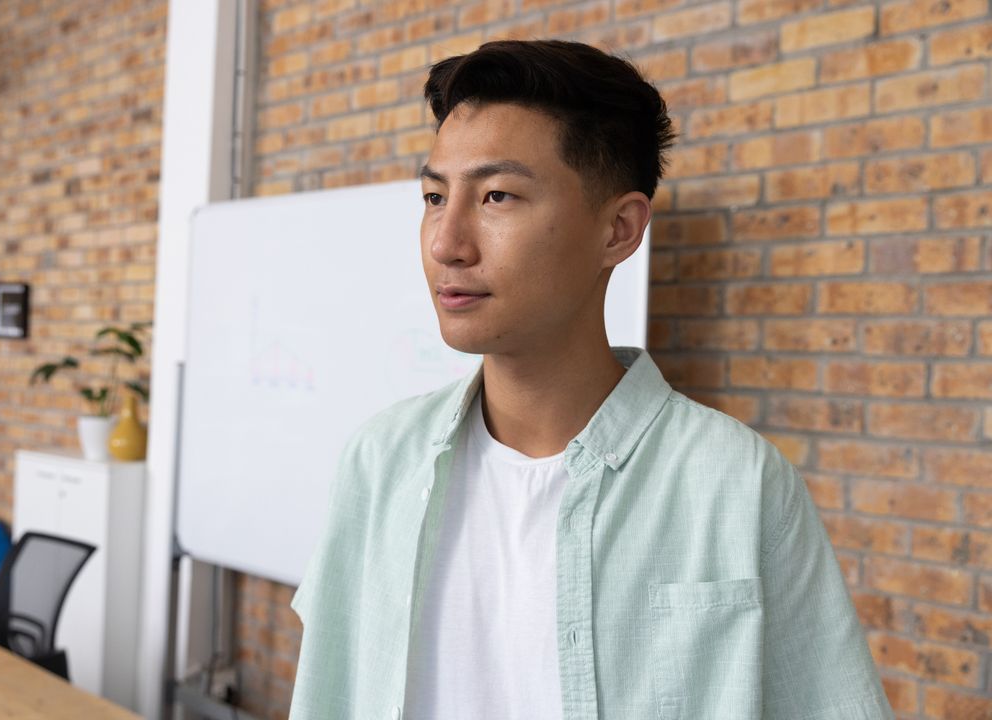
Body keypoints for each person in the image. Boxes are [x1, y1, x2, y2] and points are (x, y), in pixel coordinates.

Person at [289, 39, 893, 720]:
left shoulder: (736, 484)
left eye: (496, 195)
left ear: (618, 229)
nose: (445, 242)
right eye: (434, 196)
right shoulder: (380, 461)